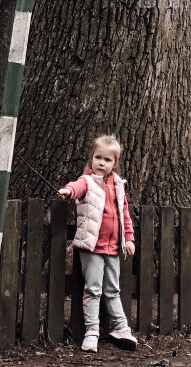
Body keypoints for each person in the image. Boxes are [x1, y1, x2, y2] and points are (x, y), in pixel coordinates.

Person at [58, 134, 138, 352]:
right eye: (98, 157)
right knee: (93, 290)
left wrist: (128, 239)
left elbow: (125, 216)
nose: (102, 163)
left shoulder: (119, 186)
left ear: (115, 163)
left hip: (113, 248)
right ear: (91, 159)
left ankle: (121, 328)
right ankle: (91, 331)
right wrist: (68, 191)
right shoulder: (87, 181)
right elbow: (76, 187)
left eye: (107, 159)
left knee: (113, 289)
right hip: (92, 247)